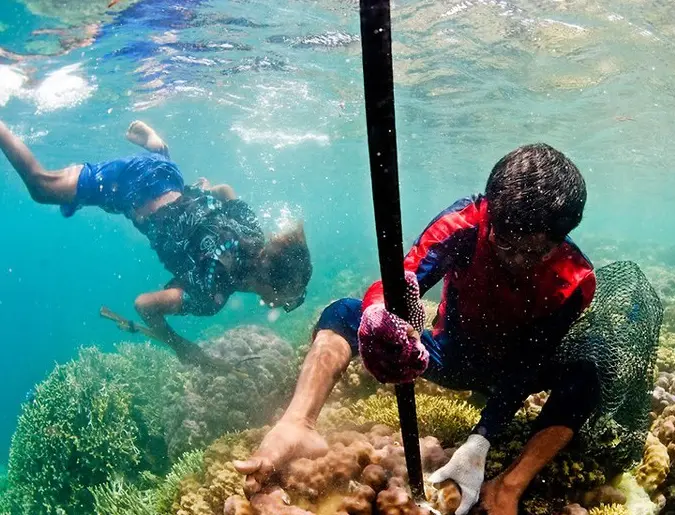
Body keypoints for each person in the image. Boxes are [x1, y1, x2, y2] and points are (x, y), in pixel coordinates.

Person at [234, 143, 600, 515]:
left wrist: (482, 440)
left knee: (588, 373)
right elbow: (401, 281)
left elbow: (528, 362)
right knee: (345, 312)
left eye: (536, 251)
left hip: (514, 368)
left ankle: (509, 486)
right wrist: (380, 317)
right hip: (449, 356)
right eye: (505, 242)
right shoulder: (464, 224)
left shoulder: (574, 280)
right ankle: (298, 423)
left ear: (562, 237)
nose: (518, 260)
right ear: (490, 210)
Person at [0, 119, 312, 370]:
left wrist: (201, 195)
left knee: (162, 177)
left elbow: (227, 191)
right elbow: (144, 305)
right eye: (289, 299)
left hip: (168, 177)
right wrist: (181, 347)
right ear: (270, 286)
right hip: (128, 187)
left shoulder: (252, 233)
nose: (287, 305)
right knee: (42, 187)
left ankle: (158, 148)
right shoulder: (211, 293)